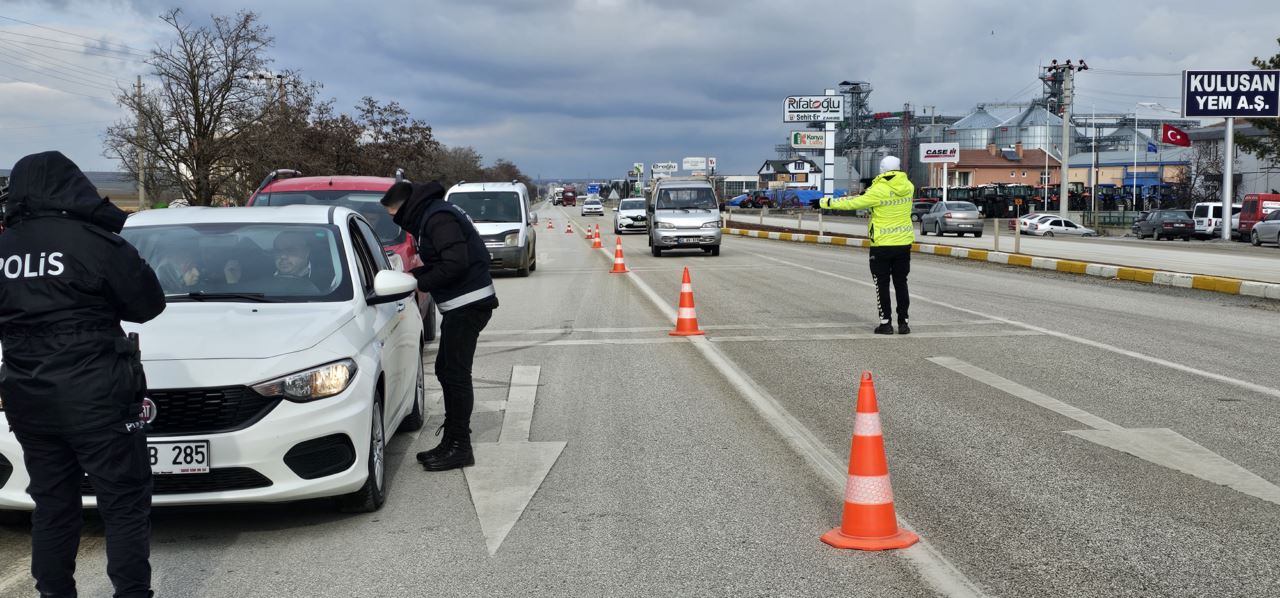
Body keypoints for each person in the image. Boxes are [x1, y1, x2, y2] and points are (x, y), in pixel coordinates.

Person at [0, 151, 166, 598]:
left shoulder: (4, 249)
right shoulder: (96, 242)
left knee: (52, 506)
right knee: (124, 504)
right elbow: (149, 305)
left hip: (29, 399)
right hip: (99, 398)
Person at [380, 180, 498, 471]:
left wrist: (417, 281)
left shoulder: (438, 217)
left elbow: (456, 263)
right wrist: (416, 271)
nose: (393, 218)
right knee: (446, 370)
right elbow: (444, 260)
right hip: (461, 304)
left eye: (393, 212)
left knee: (455, 375)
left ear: (406, 207)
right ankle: (453, 439)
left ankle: (460, 447)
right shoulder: (431, 214)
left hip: (469, 304)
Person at [811, 155, 916, 335]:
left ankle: (886, 323)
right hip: (904, 243)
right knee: (901, 283)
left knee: (882, 284)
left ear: (882, 169)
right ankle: (904, 323)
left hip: (882, 245)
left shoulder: (878, 190)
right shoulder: (909, 187)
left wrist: (824, 202)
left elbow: (852, 203)